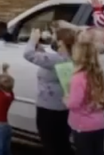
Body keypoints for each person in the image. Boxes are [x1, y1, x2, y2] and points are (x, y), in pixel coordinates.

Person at [24, 27, 77, 155]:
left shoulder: (57, 60)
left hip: (48, 110)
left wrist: (33, 39)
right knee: (62, 143)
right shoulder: (70, 58)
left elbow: (28, 54)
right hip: (63, 109)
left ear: (61, 42)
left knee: (51, 144)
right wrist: (39, 46)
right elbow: (45, 58)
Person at [66, 30, 104, 155]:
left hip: (82, 126)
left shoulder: (78, 78)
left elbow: (74, 104)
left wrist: (66, 99)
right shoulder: (100, 75)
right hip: (99, 124)